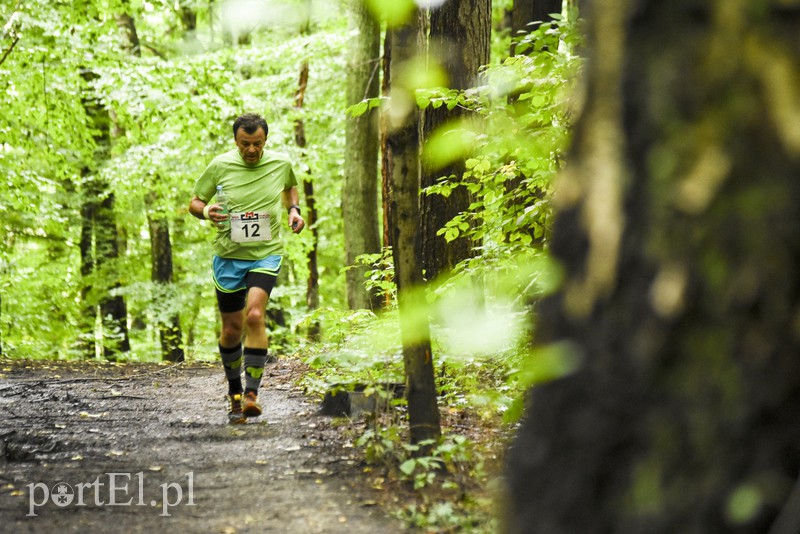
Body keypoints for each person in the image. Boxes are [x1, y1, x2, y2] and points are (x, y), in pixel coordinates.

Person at [189, 113, 304, 424]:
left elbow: (290, 188)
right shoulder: (220, 165)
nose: (251, 150)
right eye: (245, 144)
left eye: (257, 143)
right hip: (228, 256)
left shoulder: (280, 163)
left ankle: (252, 394)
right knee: (231, 329)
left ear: (265, 140)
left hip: (265, 254)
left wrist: (293, 210)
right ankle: (235, 392)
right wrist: (206, 211)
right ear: (235, 141)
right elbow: (195, 201)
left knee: (254, 315)